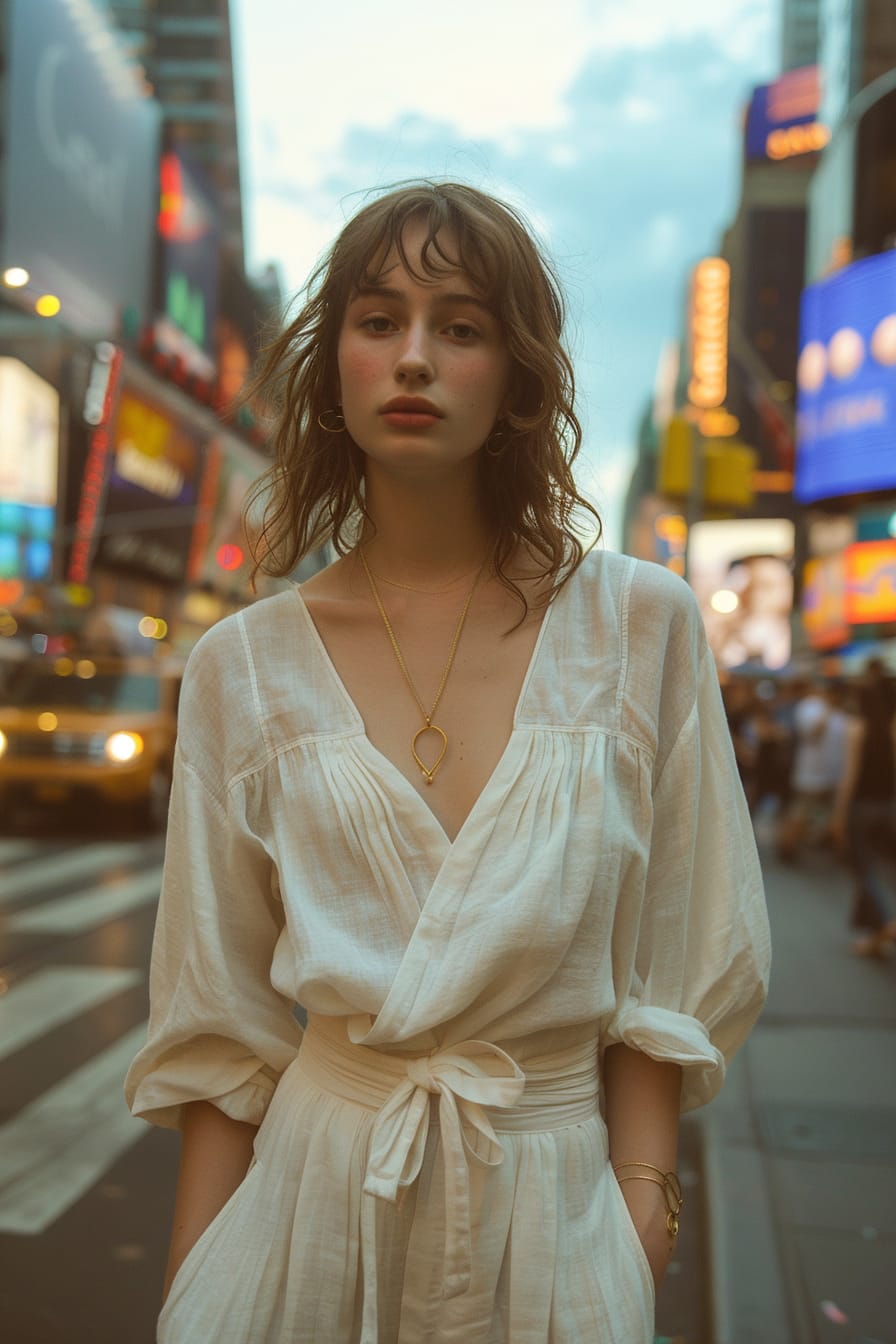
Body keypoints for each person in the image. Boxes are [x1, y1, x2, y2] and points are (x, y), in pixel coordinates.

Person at [125, 181, 771, 1344]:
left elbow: (673, 963)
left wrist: (642, 1217)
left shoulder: (640, 627)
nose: (412, 356)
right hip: (305, 1231)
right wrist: (190, 1294)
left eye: (459, 326)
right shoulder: (242, 666)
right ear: (334, 366)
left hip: (557, 1225)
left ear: (517, 377)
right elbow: (220, 1030)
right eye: (377, 321)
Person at [832, 659, 896, 957]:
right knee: (880, 868)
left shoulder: (857, 727)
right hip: (888, 805)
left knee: (862, 868)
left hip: (861, 805)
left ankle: (884, 924)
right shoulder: (892, 728)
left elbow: (849, 776)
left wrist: (838, 815)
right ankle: (873, 937)